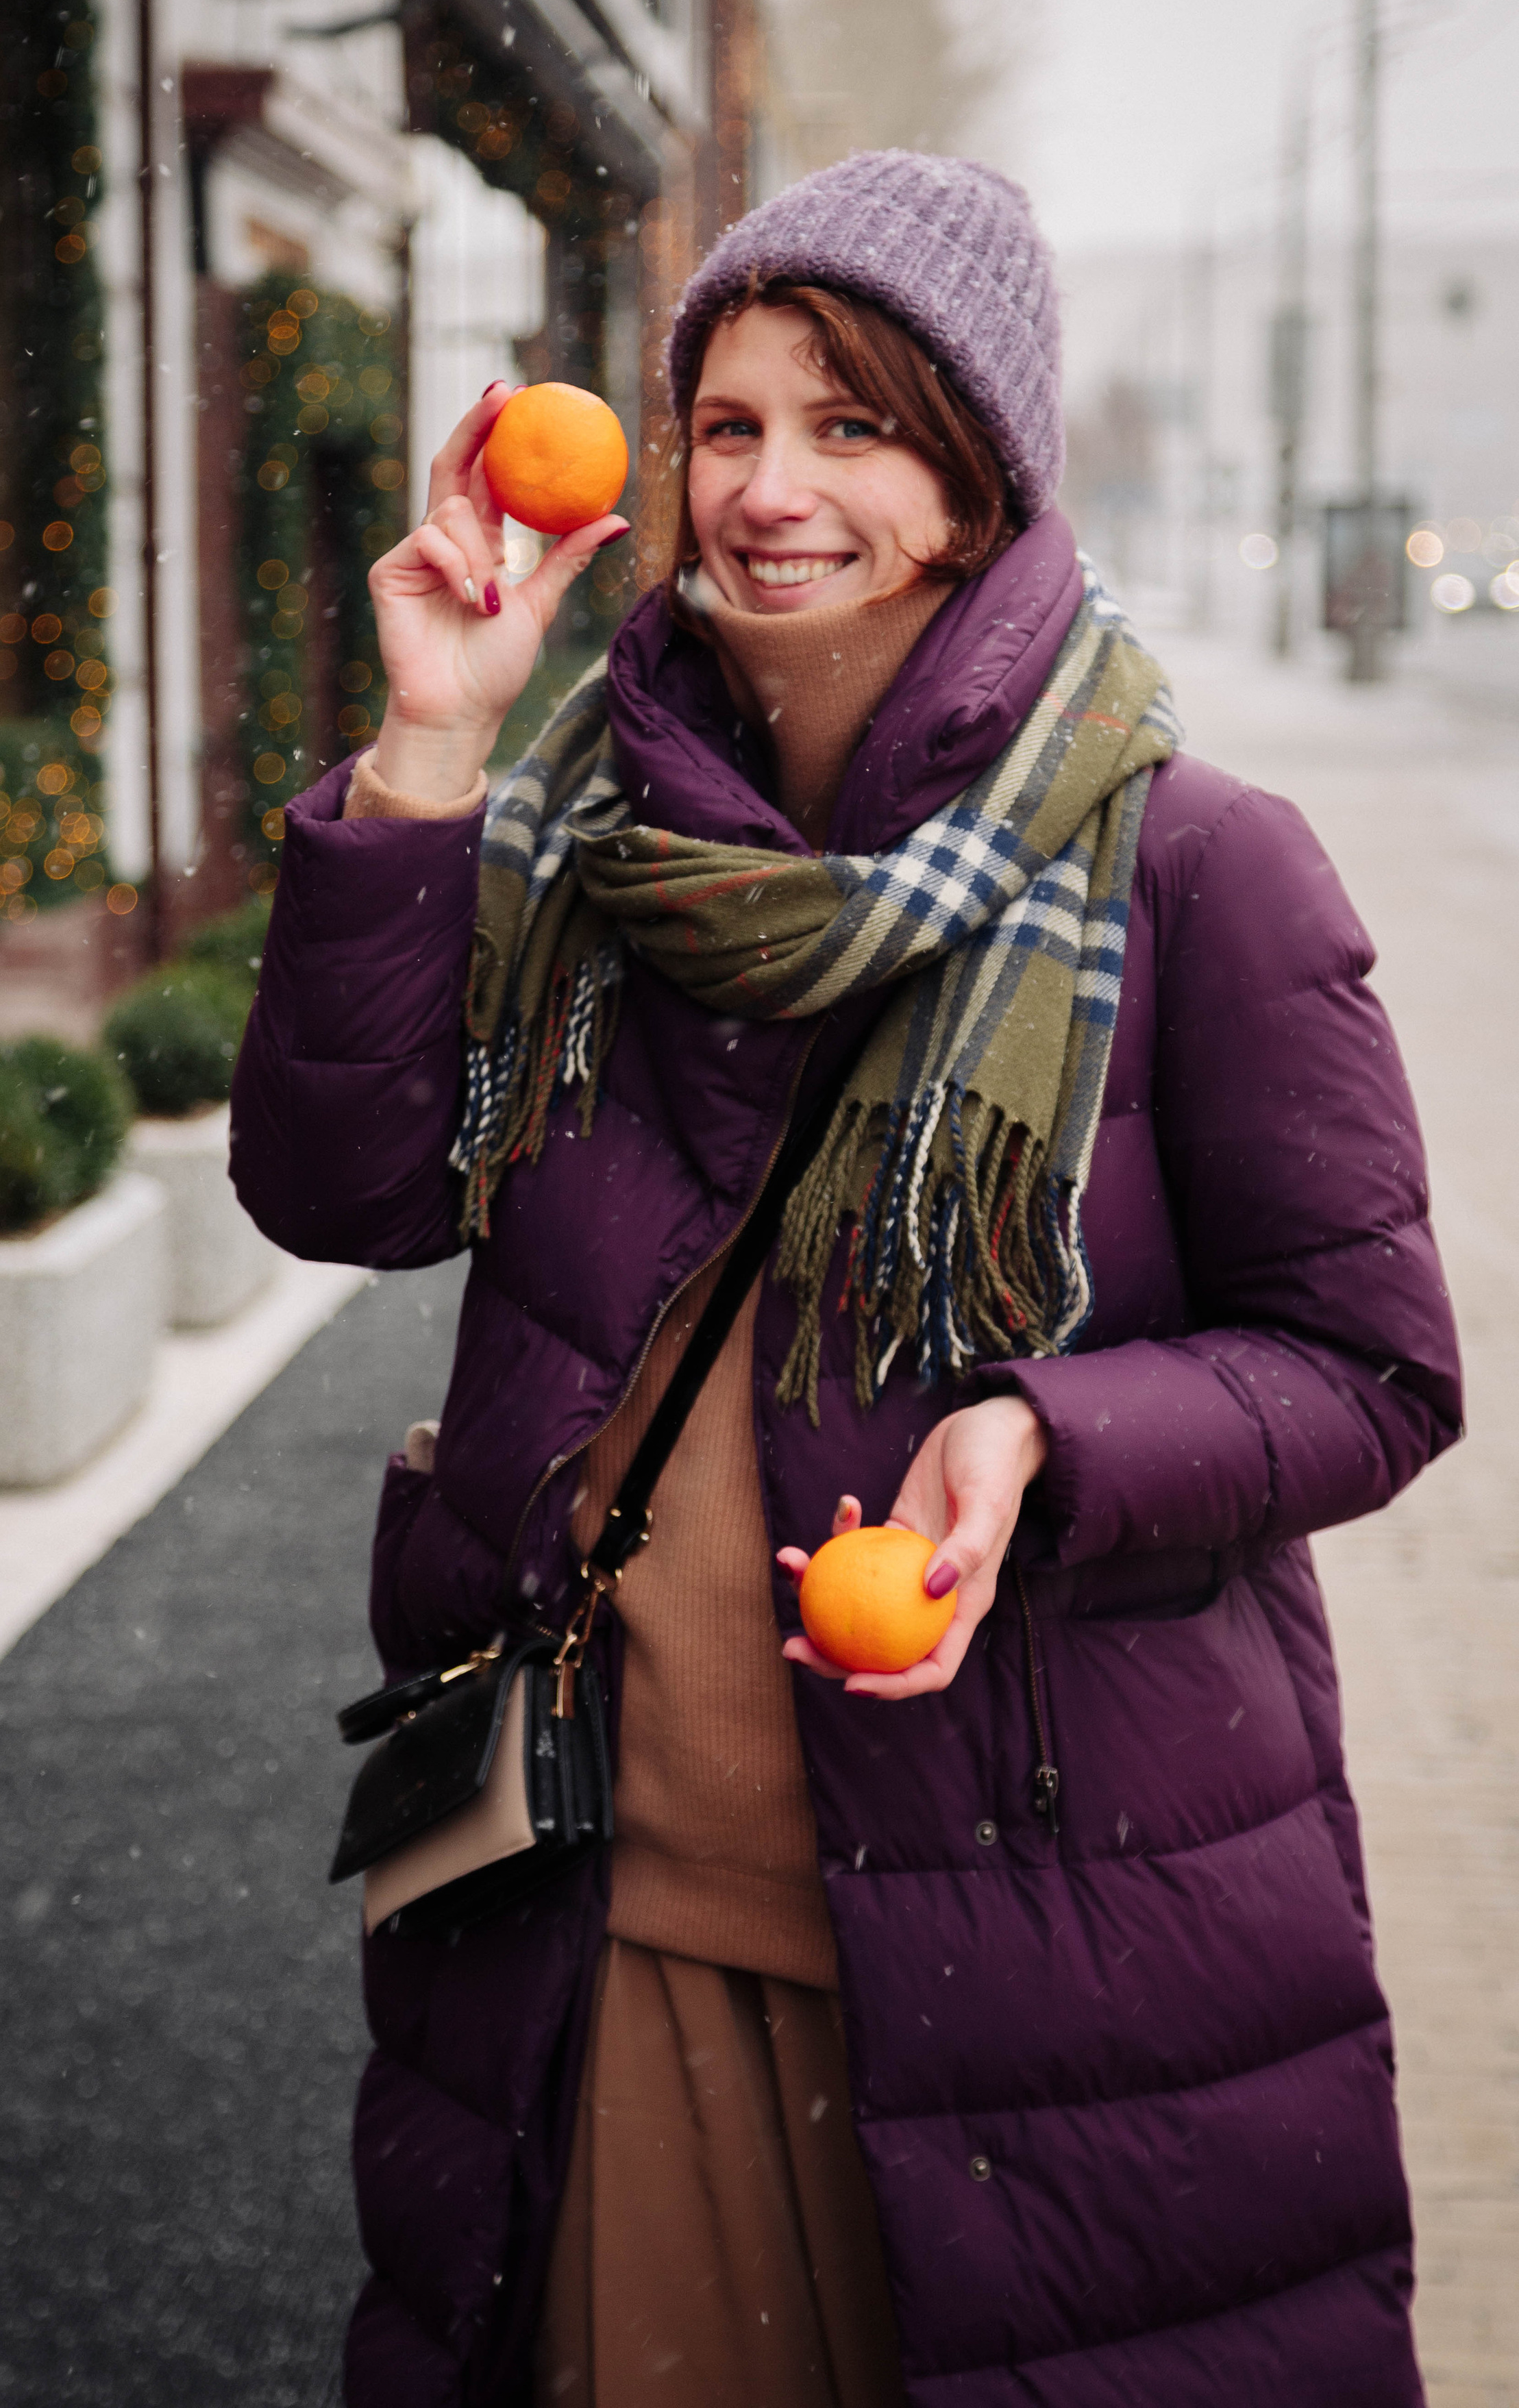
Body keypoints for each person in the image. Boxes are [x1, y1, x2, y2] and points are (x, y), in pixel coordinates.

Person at [230, 152, 1461, 2407]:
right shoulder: (581, 827)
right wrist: (427, 745)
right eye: (728, 423)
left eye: (854, 426)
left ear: (979, 478)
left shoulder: (1197, 870)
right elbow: (343, 1192)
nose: (770, 488)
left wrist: (1048, 1430)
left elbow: (1372, 1367)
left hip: (1050, 1945)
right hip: (600, 1922)